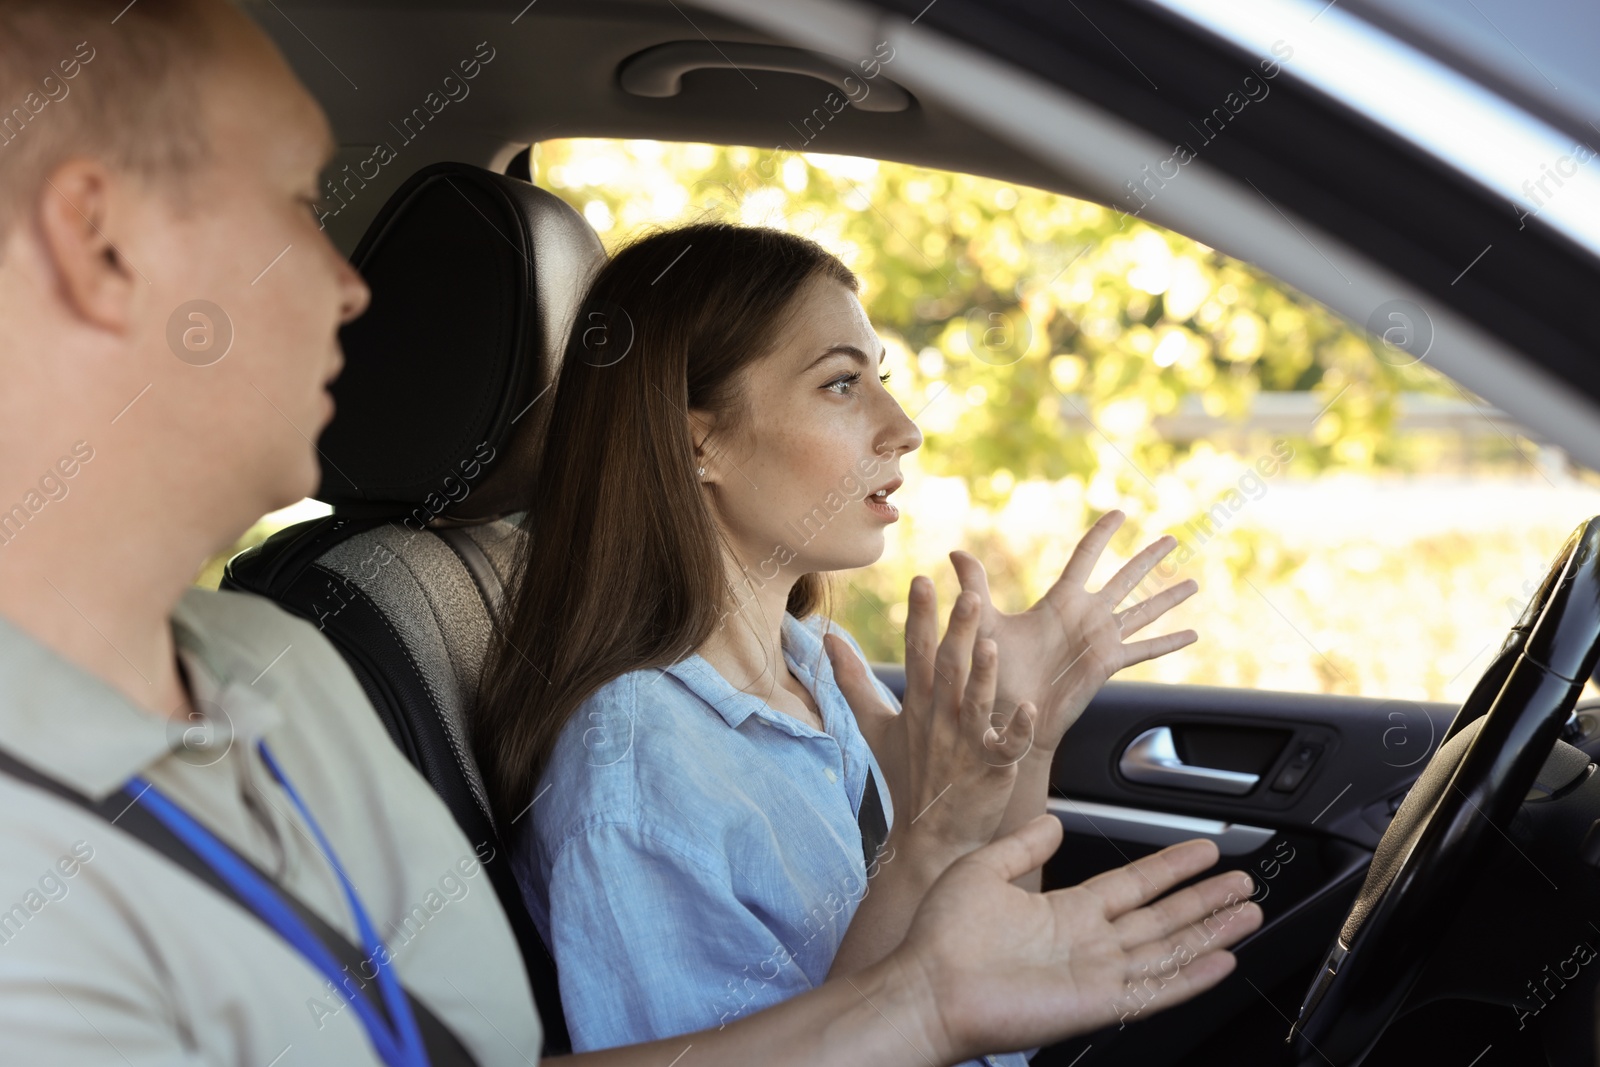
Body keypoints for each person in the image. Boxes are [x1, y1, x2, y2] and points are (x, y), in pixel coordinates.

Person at [0, 1, 1261, 1064]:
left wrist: (979, 798)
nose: (345, 284)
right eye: (291, 199)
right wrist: (925, 915)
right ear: (96, 238)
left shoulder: (266, 673)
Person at [473, 221, 1222, 1062]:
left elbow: (986, 973)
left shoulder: (818, 665)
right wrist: (927, 840)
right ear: (697, 441)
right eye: (840, 384)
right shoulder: (636, 771)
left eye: (883, 380)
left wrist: (1024, 738)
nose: (903, 426)